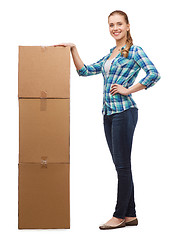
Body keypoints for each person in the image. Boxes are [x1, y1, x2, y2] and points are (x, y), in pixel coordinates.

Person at [53, 10, 161, 230]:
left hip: (124, 112)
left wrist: (129, 89)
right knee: (121, 166)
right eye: (111, 25)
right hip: (108, 114)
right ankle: (130, 214)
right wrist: (73, 49)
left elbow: (154, 73)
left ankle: (118, 215)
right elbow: (85, 71)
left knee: (122, 166)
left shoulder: (134, 51)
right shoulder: (110, 54)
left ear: (128, 26)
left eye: (119, 24)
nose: (115, 28)